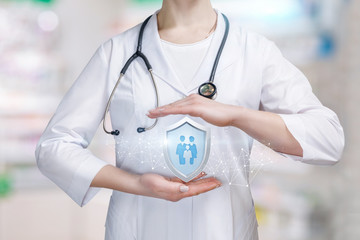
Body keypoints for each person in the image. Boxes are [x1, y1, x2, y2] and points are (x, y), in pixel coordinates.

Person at [35, 0, 345, 239]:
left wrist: (236, 115)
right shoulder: (117, 53)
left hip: (224, 229)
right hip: (139, 227)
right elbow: (54, 147)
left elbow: (328, 141)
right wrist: (137, 184)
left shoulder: (254, 53)